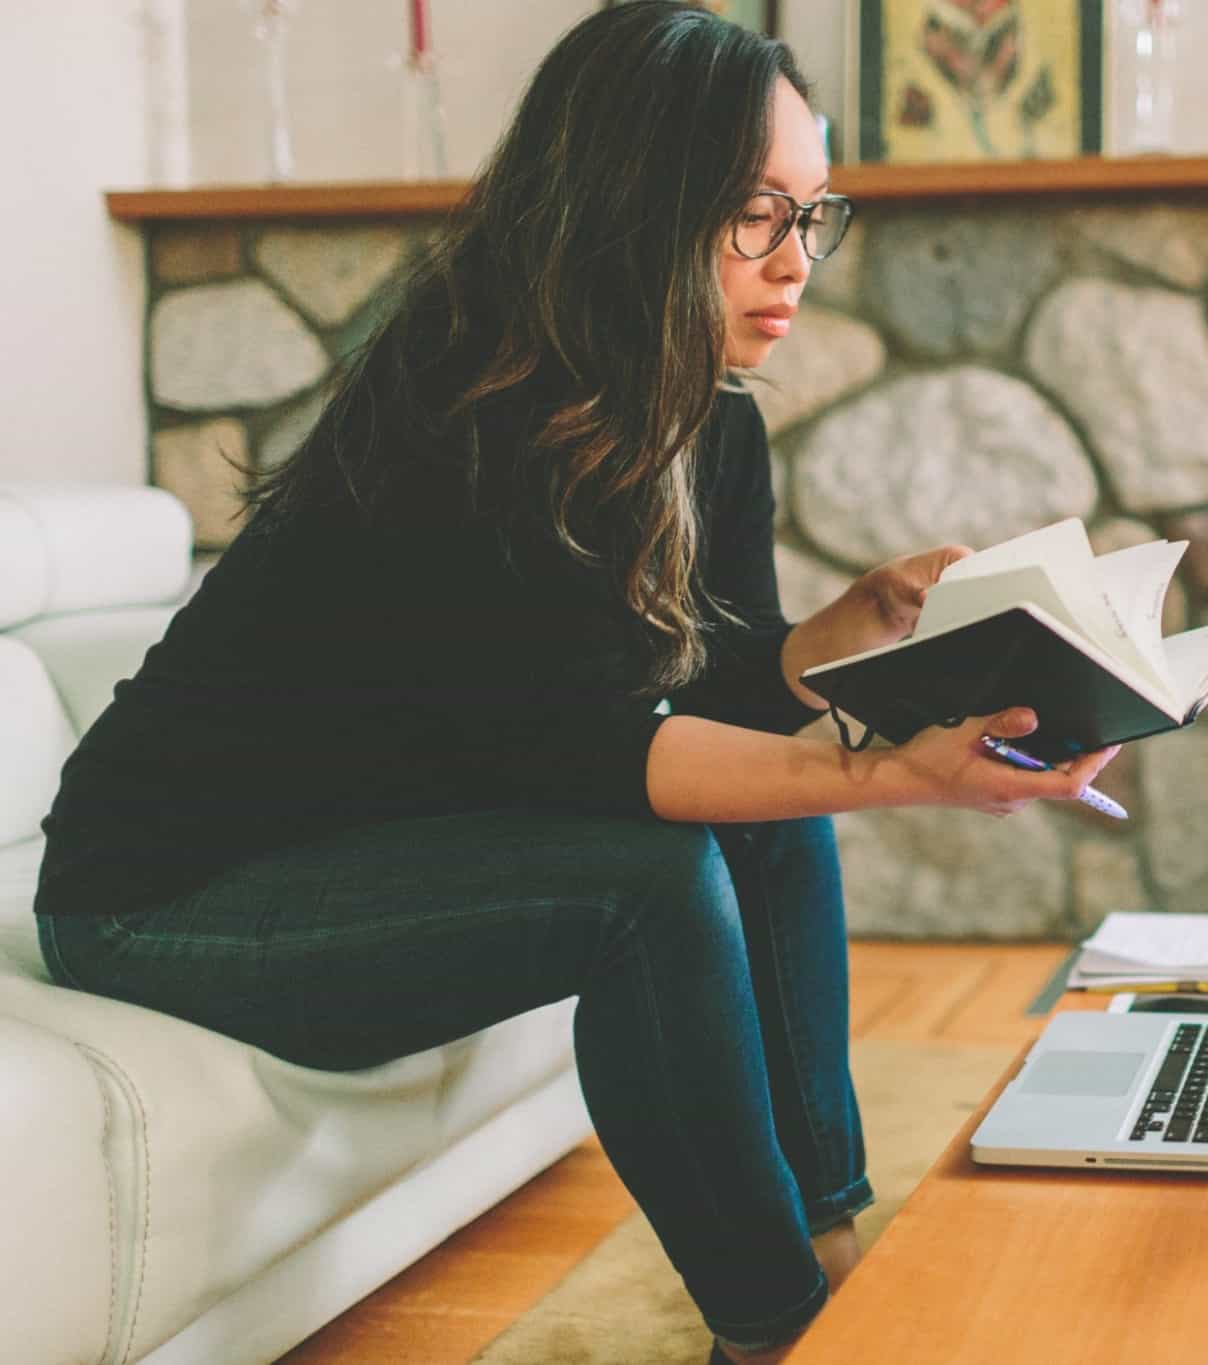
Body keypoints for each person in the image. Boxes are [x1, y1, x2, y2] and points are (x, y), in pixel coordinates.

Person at [31, 5, 1117, 1362]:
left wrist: (837, 636)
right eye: (753, 214)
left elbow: (698, 686)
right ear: (638, 203)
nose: (796, 264)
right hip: (164, 895)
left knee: (768, 826)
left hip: (369, 841)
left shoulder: (703, 414)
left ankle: (834, 1252)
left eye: (813, 213)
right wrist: (894, 770)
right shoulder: (463, 410)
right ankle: (777, 1332)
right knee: (645, 892)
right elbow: (602, 749)